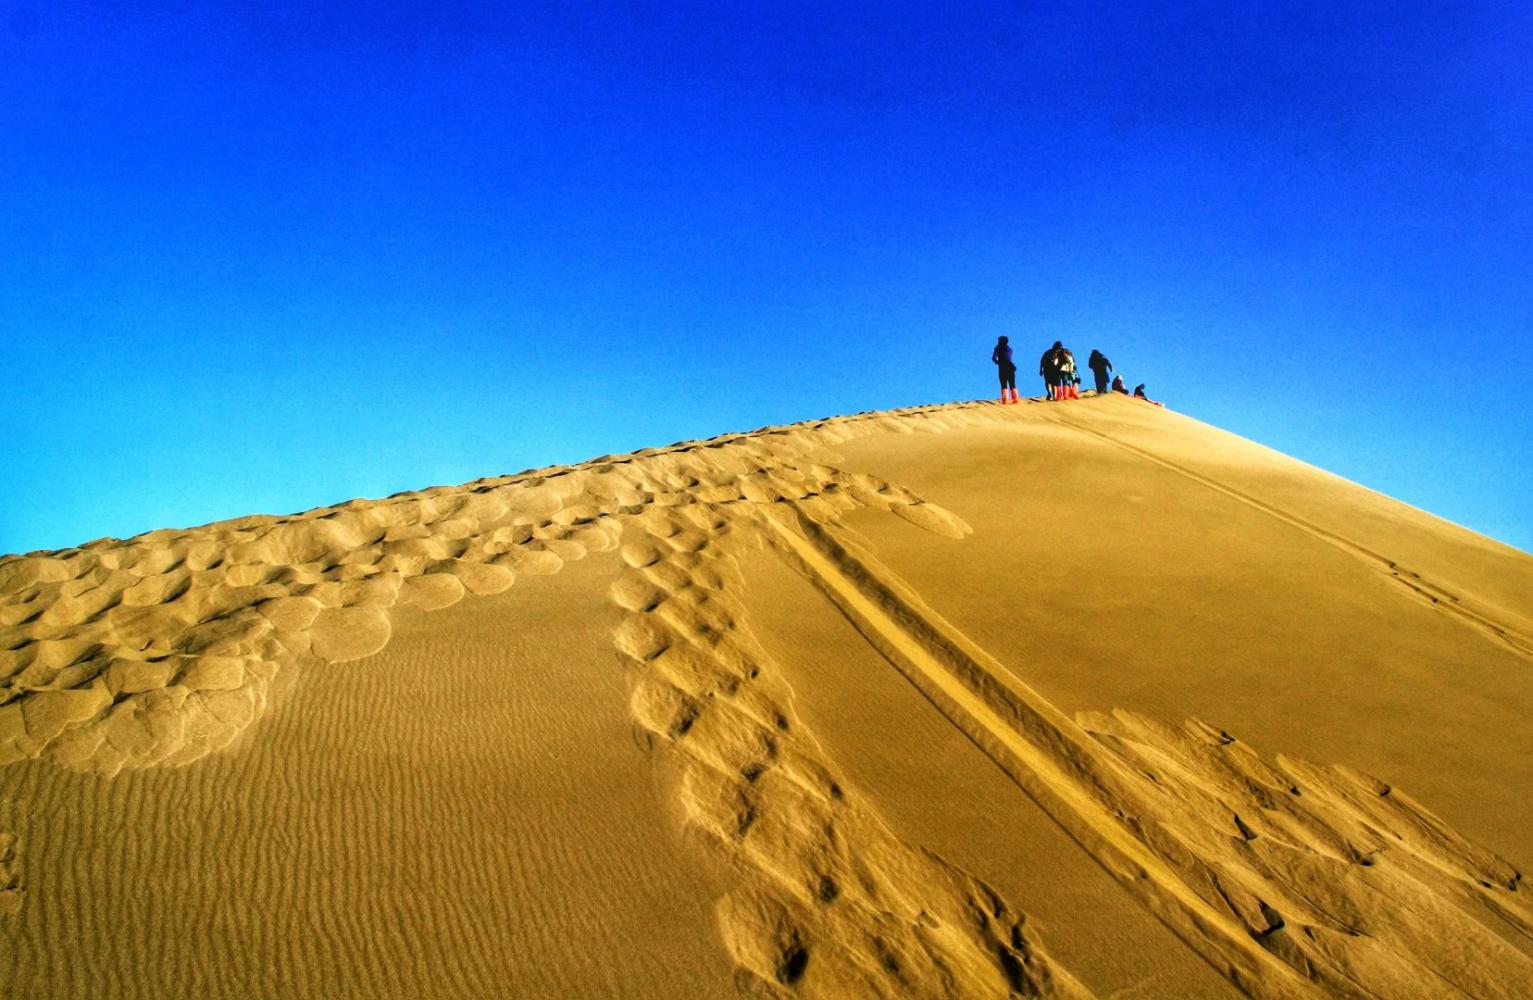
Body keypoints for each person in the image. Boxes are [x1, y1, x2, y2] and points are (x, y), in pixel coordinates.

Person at [991, 336, 1019, 404]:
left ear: (1002, 341)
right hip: (1011, 367)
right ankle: (1015, 399)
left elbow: (994, 358)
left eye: (999, 340)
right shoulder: (1010, 349)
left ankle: (1005, 400)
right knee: (1012, 384)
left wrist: (998, 362)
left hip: (1002, 368)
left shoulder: (998, 348)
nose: (998, 342)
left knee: (1003, 384)